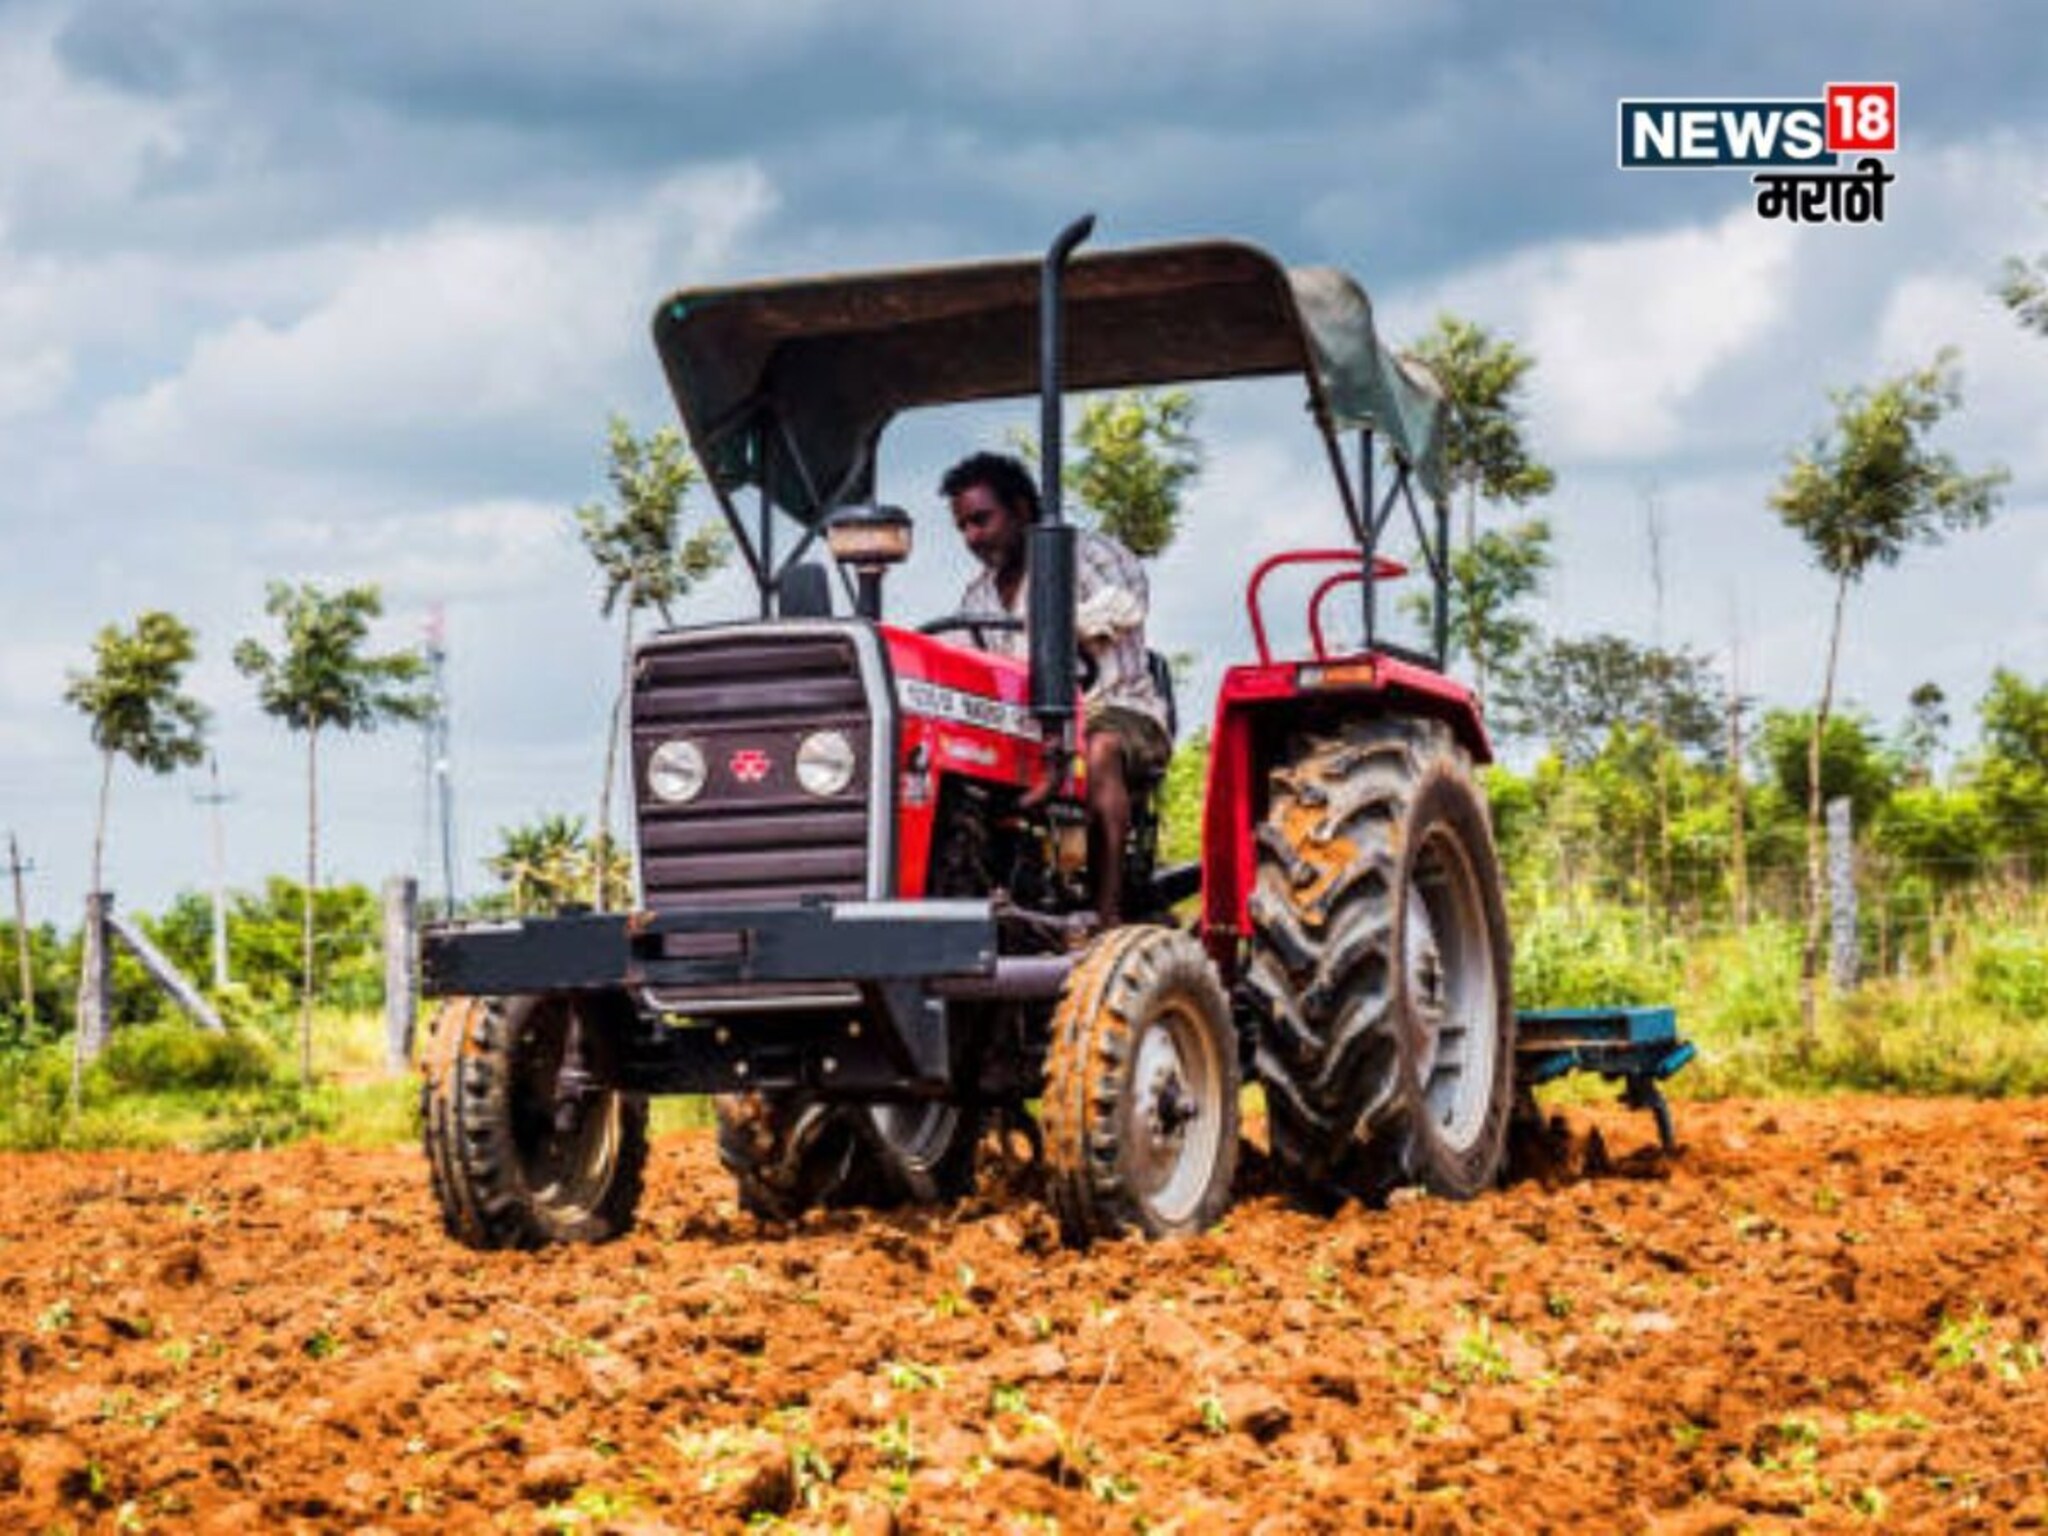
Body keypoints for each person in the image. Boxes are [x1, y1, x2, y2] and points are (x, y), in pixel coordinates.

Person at [941, 451, 1172, 927]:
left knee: (1099, 747)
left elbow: (1123, 606)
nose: (972, 538)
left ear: (1023, 510)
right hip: (1021, 730)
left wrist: (1047, 632)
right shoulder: (977, 595)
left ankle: (1106, 918)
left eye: (982, 520)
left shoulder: (1091, 556)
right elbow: (965, 661)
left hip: (1116, 707)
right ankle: (978, 899)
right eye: (963, 527)